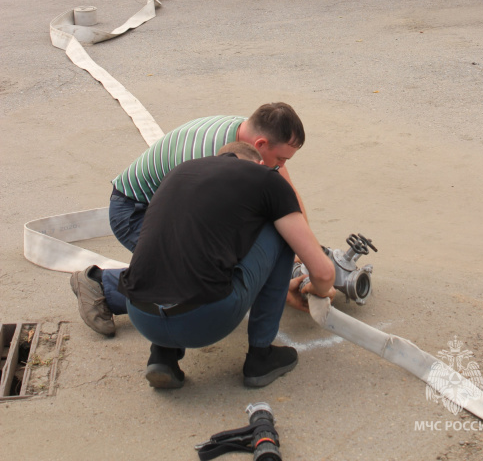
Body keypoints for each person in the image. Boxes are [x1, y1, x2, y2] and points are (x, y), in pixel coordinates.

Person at [70, 103, 308, 337]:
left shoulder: (250, 132)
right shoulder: (210, 160)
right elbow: (215, 233)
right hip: (133, 212)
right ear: (260, 145)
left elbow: (285, 193)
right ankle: (100, 284)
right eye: (281, 159)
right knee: (192, 278)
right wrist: (278, 287)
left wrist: (305, 251)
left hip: (167, 207)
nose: (281, 165)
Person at [119, 142, 335, 389]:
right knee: (282, 230)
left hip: (141, 314)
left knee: (180, 240)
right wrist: (319, 288)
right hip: (205, 320)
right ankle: (260, 357)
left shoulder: (181, 171)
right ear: (259, 164)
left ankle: (163, 355)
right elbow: (323, 272)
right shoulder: (265, 177)